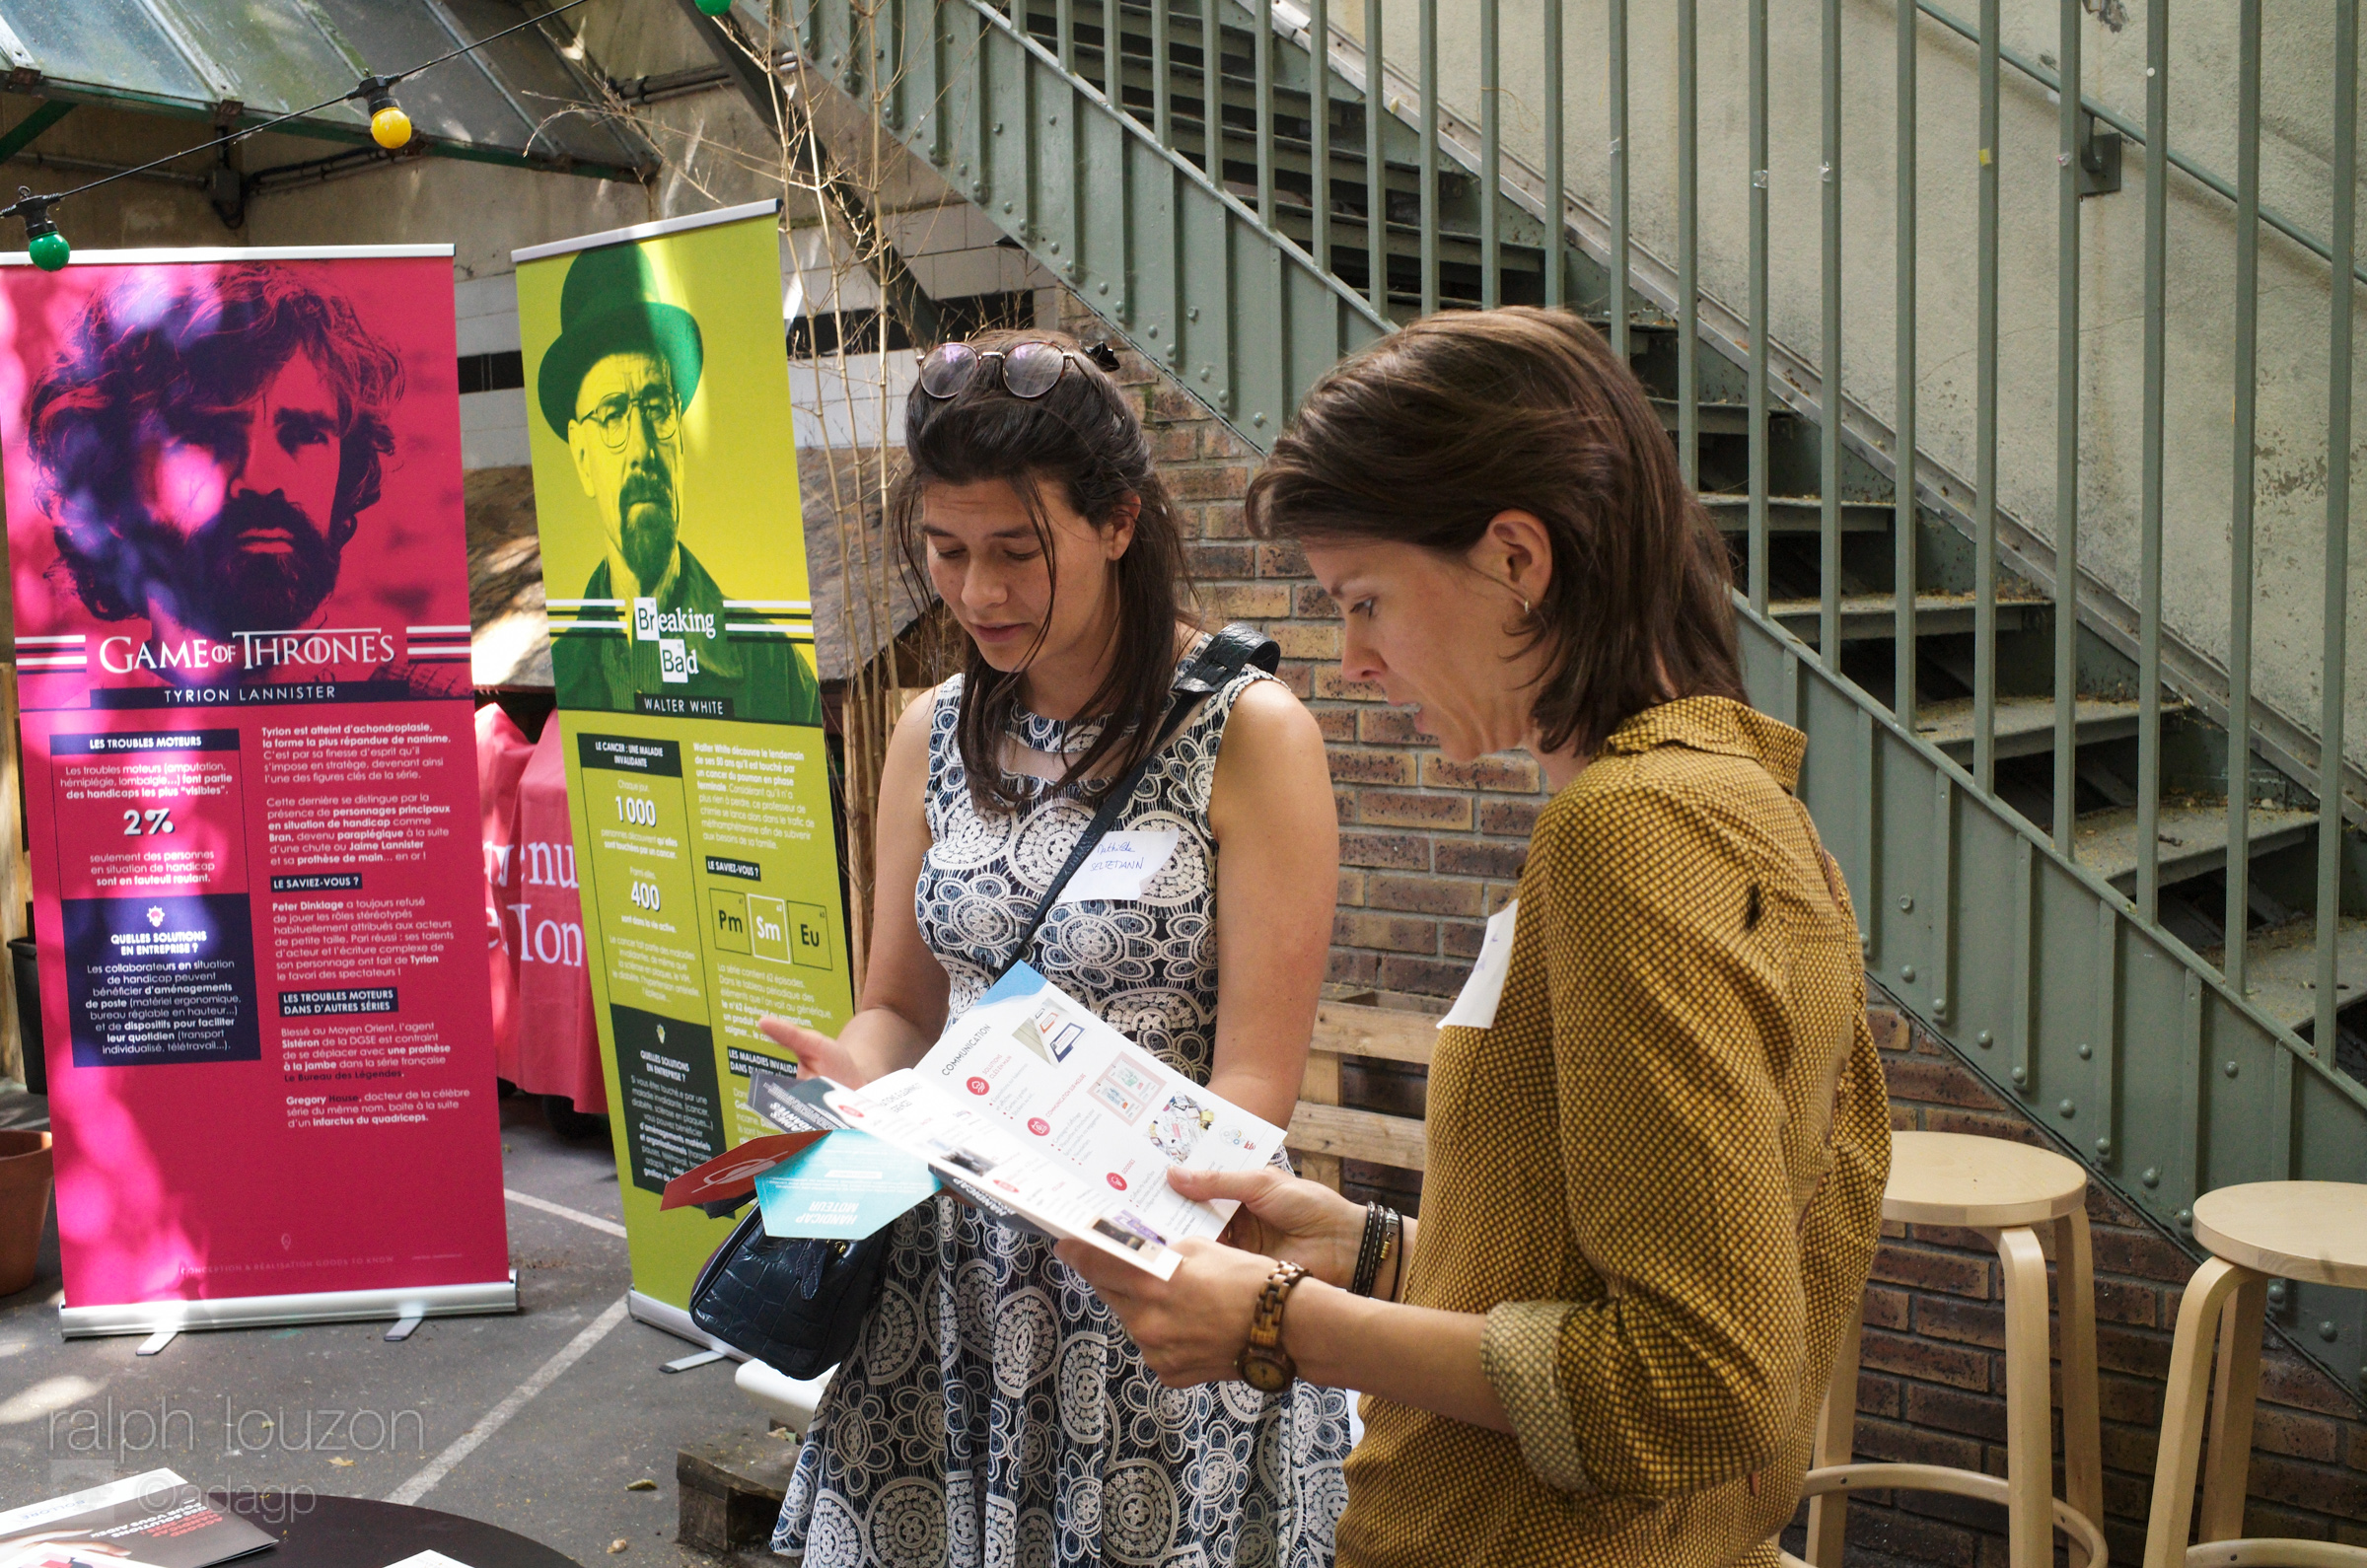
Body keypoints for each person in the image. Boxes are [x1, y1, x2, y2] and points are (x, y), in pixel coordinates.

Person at [1058, 307, 1894, 1567]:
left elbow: (1701, 1383)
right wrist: (1377, 1255)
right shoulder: (1740, 804)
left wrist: (1288, 1324)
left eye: (1369, 600)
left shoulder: (1630, 834)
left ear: (1516, 558)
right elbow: (1621, 1266)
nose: (1353, 659)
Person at [758, 330, 1350, 1567]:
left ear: (1119, 523)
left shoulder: (1253, 736)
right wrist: (853, 1078)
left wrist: (1117, 1225)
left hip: (1150, 1283)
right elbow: (900, 1009)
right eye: (947, 552)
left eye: (1017, 553)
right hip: (950, 1282)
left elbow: (1253, 1087)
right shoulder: (929, 730)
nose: (978, 594)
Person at [24, 264, 457, 696]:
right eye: (208, 435)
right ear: (113, 486)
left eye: (305, 434)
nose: (262, 481)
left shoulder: (429, 705)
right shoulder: (74, 736)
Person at [536, 244, 820, 726]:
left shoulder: (774, 670)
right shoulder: (564, 672)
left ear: (681, 445)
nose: (643, 448)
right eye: (612, 417)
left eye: (656, 408)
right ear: (582, 458)